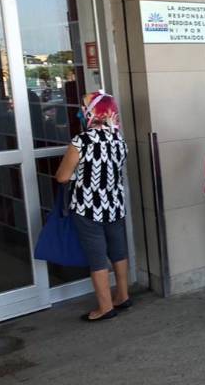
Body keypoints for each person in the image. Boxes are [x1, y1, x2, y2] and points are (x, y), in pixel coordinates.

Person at [55, 91, 129, 321]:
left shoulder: (81, 141)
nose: (80, 112)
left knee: (97, 257)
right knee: (118, 252)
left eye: (83, 108)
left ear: (92, 112)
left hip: (88, 209)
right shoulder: (118, 139)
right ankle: (123, 296)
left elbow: (62, 177)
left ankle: (105, 307)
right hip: (115, 205)